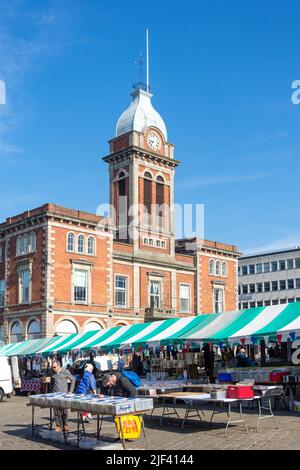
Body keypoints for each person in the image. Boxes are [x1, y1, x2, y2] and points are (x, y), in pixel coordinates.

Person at [50, 360, 75, 432]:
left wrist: (70, 391)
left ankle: (65, 425)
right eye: (52, 367)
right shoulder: (52, 373)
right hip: (55, 395)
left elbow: (73, 379)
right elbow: (51, 383)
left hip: (64, 395)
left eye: (54, 367)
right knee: (56, 411)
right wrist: (51, 393)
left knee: (65, 411)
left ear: (58, 366)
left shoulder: (65, 371)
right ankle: (58, 426)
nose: (53, 368)